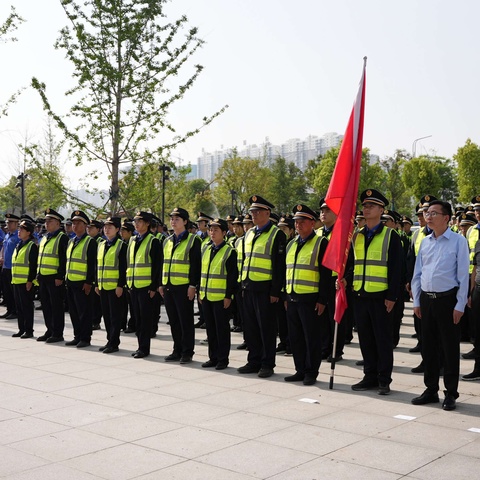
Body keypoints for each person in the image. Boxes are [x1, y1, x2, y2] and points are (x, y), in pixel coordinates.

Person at [411, 200, 469, 411]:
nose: (429, 216)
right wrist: (417, 301)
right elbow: (417, 274)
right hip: (427, 300)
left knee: (449, 348)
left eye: (434, 213)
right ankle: (430, 389)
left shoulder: (457, 241)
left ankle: (451, 392)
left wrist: (460, 305)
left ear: (446, 218)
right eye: (427, 212)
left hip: (448, 300)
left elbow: (463, 275)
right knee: (429, 347)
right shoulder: (425, 241)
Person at [350, 189, 403, 395]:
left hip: (381, 297)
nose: (366, 208)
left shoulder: (391, 236)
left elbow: (397, 269)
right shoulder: (358, 236)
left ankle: (383, 379)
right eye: (364, 205)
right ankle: (369, 375)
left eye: (371, 206)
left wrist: (392, 296)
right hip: (361, 295)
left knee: (382, 340)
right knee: (365, 339)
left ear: (382, 210)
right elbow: (353, 263)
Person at [238, 195, 286, 378]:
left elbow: (279, 266)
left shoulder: (276, 234)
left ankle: (267, 363)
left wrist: (275, 291)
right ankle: (254, 360)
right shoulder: (249, 234)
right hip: (248, 287)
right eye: (252, 212)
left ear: (267, 213)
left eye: (258, 211)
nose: (254, 215)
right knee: (250, 328)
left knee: (266, 328)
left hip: (265, 290)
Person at [284, 204, 331, 385]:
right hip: (293, 297)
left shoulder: (320, 243)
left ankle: (311, 371)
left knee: (311, 338)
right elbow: (285, 271)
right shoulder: (291, 244)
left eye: (303, 221)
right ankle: (300, 369)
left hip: (311, 299)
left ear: (313, 223)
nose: (298, 225)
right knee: (295, 337)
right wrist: (285, 295)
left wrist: (322, 299)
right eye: (296, 221)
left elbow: (326, 275)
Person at [160, 207, 201, 363]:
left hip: (184, 287)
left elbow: (196, 265)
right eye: (171, 218)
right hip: (169, 285)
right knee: (174, 320)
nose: (173, 221)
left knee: (185, 321)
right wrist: (161, 284)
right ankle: (176, 349)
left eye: (177, 219)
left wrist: (192, 285)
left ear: (185, 222)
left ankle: (187, 352)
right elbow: (163, 264)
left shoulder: (192, 240)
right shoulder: (167, 241)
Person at [199, 218, 238, 369]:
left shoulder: (229, 251)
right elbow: (202, 273)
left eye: (216, 230)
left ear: (224, 232)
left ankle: (223, 359)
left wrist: (229, 296)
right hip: (207, 295)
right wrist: (200, 292)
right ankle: (213, 357)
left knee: (222, 329)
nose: (212, 233)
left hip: (221, 297)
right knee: (210, 329)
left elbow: (232, 277)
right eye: (210, 230)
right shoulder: (206, 249)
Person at [126, 211, 161, 358]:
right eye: (135, 221)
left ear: (147, 224)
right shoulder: (133, 240)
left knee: (145, 320)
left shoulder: (153, 241)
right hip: (134, 285)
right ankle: (140, 346)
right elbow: (129, 263)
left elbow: (157, 266)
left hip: (146, 288)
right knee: (137, 319)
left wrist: (154, 287)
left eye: (140, 221)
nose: (136, 224)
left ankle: (144, 348)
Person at [65, 210, 98, 348]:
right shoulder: (72, 241)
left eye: (78, 223)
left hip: (83, 283)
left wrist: (89, 282)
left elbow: (92, 264)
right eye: (73, 223)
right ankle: (77, 336)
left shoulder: (90, 241)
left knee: (84, 312)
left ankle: (85, 337)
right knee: (73, 311)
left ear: (85, 225)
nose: (75, 225)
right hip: (71, 281)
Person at [95, 217, 127, 353]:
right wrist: (97, 283)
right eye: (105, 227)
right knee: (106, 316)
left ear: (117, 229)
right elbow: (98, 266)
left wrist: (121, 285)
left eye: (110, 227)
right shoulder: (101, 244)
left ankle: (114, 342)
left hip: (115, 287)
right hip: (103, 286)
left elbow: (123, 267)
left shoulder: (121, 245)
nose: (106, 230)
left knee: (115, 316)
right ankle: (109, 340)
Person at [36, 208, 68, 342]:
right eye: (46, 221)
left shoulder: (62, 237)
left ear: (58, 223)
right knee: (46, 306)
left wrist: (60, 276)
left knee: (56, 307)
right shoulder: (44, 238)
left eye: (50, 221)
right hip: (43, 277)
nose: (47, 223)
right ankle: (49, 329)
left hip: (55, 278)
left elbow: (63, 258)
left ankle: (57, 333)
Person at [11, 220, 38, 338]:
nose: (19, 231)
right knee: (19, 307)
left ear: (28, 232)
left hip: (25, 282)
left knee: (26, 306)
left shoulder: (31, 246)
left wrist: (30, 281)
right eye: (19, 229)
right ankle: (21, 329)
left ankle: (28, 330)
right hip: (16, 281)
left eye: (22, 230)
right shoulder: (19, 244)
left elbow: (33, 265)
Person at [0, 213, 21, 319]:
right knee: (6, 291)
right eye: (7, 222)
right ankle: (9, 309)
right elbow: (4, 248)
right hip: (5, 266)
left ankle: (15, 311)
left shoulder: (18, 235)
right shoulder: (7, 235)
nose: (7, 224)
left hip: (13, 267)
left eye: (10, 222)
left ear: (16, 223)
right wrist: (1, 257)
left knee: (13, 292)